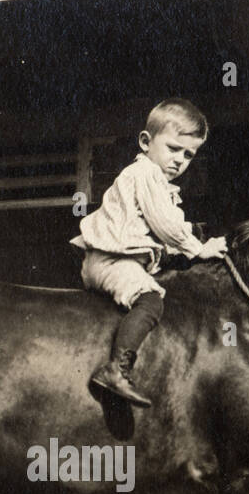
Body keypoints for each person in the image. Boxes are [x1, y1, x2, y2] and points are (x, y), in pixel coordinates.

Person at [72, 98, 227, 407]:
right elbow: (167, 225)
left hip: (122, 258)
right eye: (173, 148)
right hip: (113, 261)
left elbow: (161, 233)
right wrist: (200, 248)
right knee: (150, 301)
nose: (180, 160)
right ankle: (116, 370)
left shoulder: (156, 182)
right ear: (146, 141)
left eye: (189, 154)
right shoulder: (145, 175)